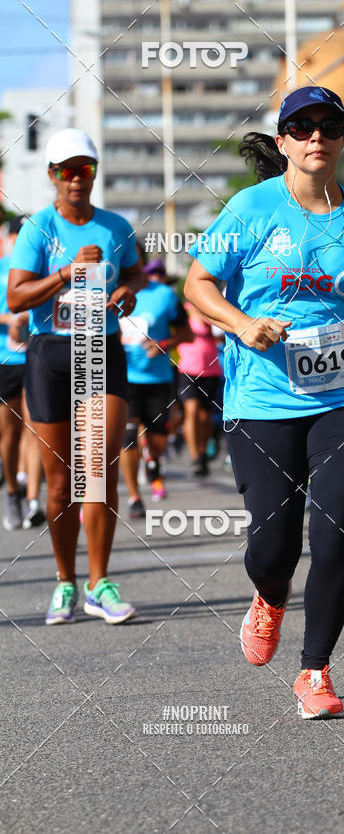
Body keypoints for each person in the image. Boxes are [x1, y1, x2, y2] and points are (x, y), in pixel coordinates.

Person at [183, 86, 344, 719]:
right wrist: (241, 322)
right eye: (300, 127)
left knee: (335, 533)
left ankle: (315, 671)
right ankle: (269, 596)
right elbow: (197, 283)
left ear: (342, 139)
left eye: (328, 126)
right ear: (282, 143)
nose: (315, 137)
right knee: (272, 548)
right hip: (262, 397)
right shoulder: (250, 210)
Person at [7, 128, 145, 623]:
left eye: (84, 169)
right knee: (60, 484)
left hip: (101, 349)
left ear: (94, 173)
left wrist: (129, 291)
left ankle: (99, 582)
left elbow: (136, 273)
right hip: (50, 355)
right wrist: (65, 273)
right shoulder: (36, 229)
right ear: (52, 176)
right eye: (67, 170)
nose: (76, 179)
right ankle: (65, 580)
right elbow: (16, 298)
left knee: (99, 472)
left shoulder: (114, 226)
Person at [120, 257, 192, 515]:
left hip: (158, 380)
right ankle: (134, 497)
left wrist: (164, 344)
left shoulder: (164, 294)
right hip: (123, 379)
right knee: (128, 438)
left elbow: (187, 334)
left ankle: (152, 458)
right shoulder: (109, 292)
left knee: (157, 441)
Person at [0, 217, 30, 529]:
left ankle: (32, 491)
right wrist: (10, 319)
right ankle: (12, 492)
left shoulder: (46, 266)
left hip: (39, 356)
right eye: (19, 235)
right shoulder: (1, 268)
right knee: (10, 434)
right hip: (6, 360)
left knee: (36, 428)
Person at [177, 300, 222, 476]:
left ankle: (202, 452)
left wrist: (207, 321)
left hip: (211, 370)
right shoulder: (183, 311)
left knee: (205, 416)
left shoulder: (209, 308)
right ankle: (195, 457)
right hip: (188, 370)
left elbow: (220, 336)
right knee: (191, 411)